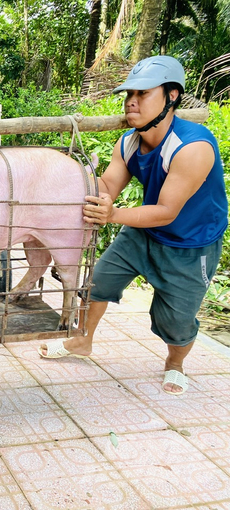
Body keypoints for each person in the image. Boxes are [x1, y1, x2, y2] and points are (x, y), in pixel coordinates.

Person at [38, 56, 227, 396]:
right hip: (143, 231)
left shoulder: (192, 147)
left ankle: (175, 363)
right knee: (98, 281)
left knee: (177, 321)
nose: (131, 102)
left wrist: (111, 215)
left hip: (190, 243)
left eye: (142, 93)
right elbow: (108, 187)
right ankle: (82, 341)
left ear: (171, 96)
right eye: (128, 94)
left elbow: (166, 211)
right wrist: (61, 179)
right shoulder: (129, 142)